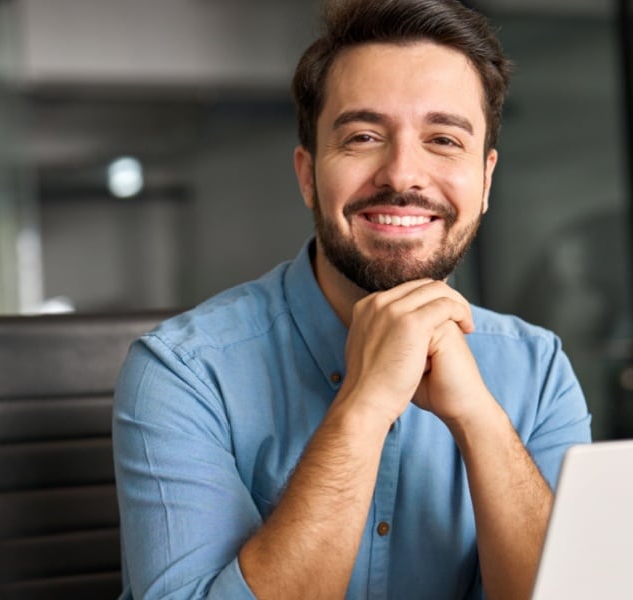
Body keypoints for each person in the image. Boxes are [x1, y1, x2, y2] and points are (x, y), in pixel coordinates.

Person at [112, 0, 593, 598]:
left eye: (443, 139)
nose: (402, 175)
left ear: (487, 180)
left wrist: (480, 419)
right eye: (364, 136)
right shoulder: (182, 374)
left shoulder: (537, 368)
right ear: (308, 174)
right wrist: (363, 406)